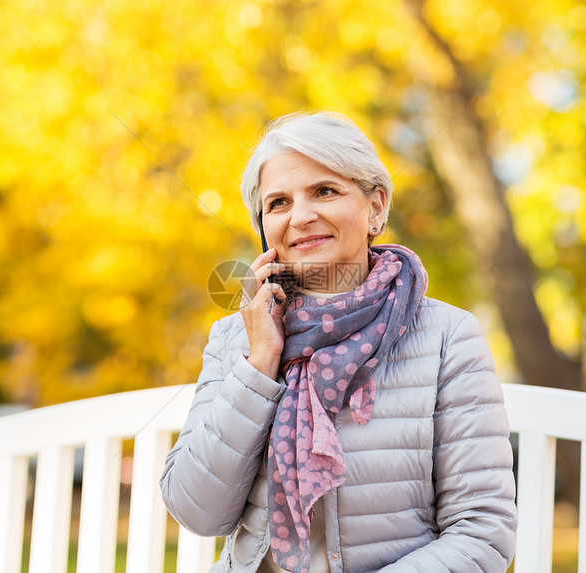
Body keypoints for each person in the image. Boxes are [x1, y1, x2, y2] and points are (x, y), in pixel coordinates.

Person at [160, 111, 517, 573]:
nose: (302, 216)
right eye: (279, 203)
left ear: (376, 207)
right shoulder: (237, 337)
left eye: (324, 191)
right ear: (264, 227)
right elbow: (198, 512)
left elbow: (482, 532)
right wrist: (260, 361)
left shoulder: (448, 336)